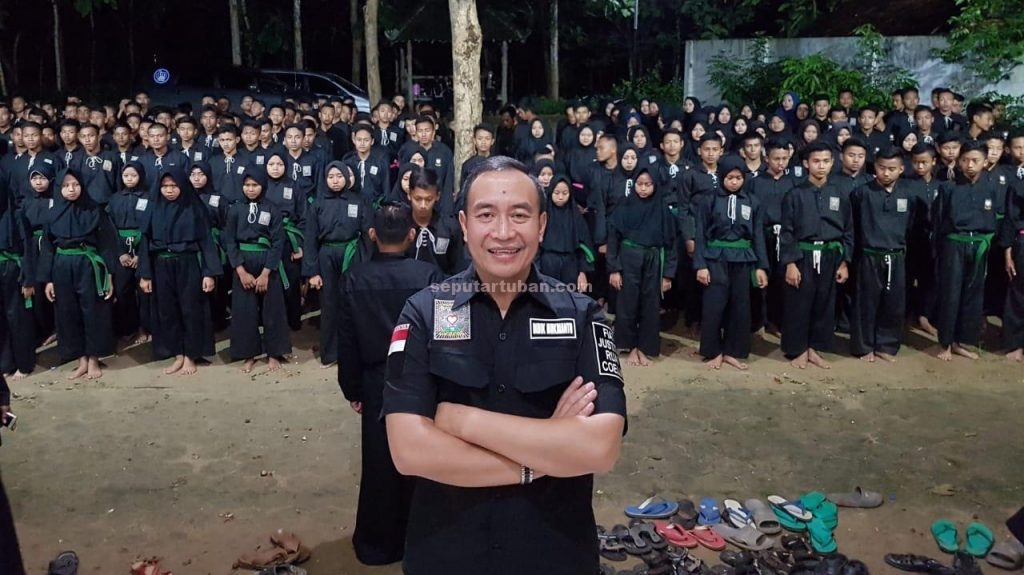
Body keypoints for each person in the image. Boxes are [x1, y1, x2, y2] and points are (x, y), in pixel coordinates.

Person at [383, 156, 626, 574]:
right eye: (485, 215)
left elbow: (599, 448)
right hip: (447, 552)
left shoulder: (582, 315)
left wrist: (461, 420)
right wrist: (545, 455)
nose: (503, 232)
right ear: (463, 225)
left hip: (554, 553)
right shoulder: (423, 312)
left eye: (519, 215)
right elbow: (409, 451)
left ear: (542, 225)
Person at [336, 202, 443, 566]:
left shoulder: (354, 278)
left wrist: (352, 389)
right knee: (422, 459)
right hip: (421, 379)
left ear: (372, 235)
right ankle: (422, 539)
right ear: (411, 235)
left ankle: (377, 545)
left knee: (380, 461)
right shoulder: (430, 275)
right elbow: (448, 335)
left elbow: (346, 340)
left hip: (374, 380)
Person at [137, 167, 220, 375]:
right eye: (165, 186)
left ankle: (191, 355)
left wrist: (209, 273)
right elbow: (145, 242)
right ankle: (178, 355)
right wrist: (145, 275)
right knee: (167, 311)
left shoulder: (194, 208)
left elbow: (207, 242)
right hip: (161, 265)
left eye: (174, 186)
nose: (169, 190)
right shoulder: (154, 207)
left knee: (190, 309)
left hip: (188, 264)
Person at [779, 141, 853, 369]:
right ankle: (798, 350)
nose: (821, 166)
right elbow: (787, 231)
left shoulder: (839, 194)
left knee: (824, 304)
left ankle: (815, 348)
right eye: (816, 161)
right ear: (806, 163)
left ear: (832, 163)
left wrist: (844, 262)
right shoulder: (795, 194)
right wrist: (790, 263)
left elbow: (848, 230)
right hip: (803, 255)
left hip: (830, 255)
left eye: (826, 161)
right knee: (799, 304)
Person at [849, 148, 927, 362]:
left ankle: (886, 345)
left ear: (901, 169)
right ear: (875, 167)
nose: (886, 173)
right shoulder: (861, 193)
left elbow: (913, 226)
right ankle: (864, 347)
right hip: (868, 256)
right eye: (882, 167)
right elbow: (853, 225)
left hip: (897, 256)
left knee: (893, 303)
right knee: (866, 303)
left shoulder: (910, 195)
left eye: (892, 169)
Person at [39, 169, 118, 379]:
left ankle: (93, 360)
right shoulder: (52, 214)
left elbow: (108, 244)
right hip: (61, 266)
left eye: (75, 184)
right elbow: (47, 248)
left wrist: (110, 275)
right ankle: (81, 360)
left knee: (93, 311)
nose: (71, 189)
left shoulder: (95, 210)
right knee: (67, 313)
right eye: (66, 186)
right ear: (59, 188)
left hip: (88, 265)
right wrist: (48, 280)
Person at [694, 157, 769, 370]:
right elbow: (700, 233)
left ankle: (733, 351)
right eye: (729, 177)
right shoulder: (709, 200)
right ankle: (714, 351)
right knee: (714, 306)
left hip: (743, 259)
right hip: (715, 258)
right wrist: (700, 265)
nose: (734, 182)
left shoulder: (752, 202)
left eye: (738, 178)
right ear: (721, 177)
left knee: (740, 306)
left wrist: (761, 267)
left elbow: (758, 235)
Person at [933, 140, 999, 361]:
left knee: (973, 294)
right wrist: (939, 251)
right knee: (950, 294)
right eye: (965, 160)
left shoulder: (991, 187)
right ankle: (945, 343)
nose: (970, 165)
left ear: (985, 162)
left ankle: (962, 341)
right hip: (954, 244)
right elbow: (938, 221)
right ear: (959, 161)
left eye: (975, 160)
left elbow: (996, 218)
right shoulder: (948, 188)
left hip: (979, 244)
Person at [303, 161, 372, 368]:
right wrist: (312, 272)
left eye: (339, 176)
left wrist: (365, 265)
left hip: (352, 254)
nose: (335, 181)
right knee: (329, 303)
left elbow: (368, 235)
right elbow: (310, 239)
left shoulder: (359, 201)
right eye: (331, 177)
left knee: (353, 303)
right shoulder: (318, 204)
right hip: (326, 255)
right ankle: (330, 352)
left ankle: (356, 351)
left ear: (347, 178)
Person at [223, 170, 292, 373]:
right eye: (247, 185)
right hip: (243, 262)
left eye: (255, 185)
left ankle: (274, 353)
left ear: (263, 185)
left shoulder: (272, 209)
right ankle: (248, 354)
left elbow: (278, 241)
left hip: (267, 263)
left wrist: (266, 273)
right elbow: (229, 241)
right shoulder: (235, 209)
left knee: (273, 310)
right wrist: (241, 271)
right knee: (244, 311)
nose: (251, 189)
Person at [608, 167, 678, 366]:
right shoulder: (624, 206)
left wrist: (668, 275)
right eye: (640, 184)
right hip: (628, 258)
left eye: (648, 184)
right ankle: (629, 346)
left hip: (653, 260)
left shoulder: (662, 209)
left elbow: (672, 244)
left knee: (650, 305)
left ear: (655, 185)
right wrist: (614, 269)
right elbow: (613, 239)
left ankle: (645, 348)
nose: (643, 188)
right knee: (627, 303)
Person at [0, 163, 35, 379]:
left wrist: (28, 279)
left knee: (18, 318)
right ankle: (5, 363)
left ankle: (24, 363)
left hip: (13, 271)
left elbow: (27, 249)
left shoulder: (16, 215)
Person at [538, 174, 594, 292]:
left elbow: (584, 247)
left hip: (571, 266)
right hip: (546, 264)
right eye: (556, 193)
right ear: (550, 192)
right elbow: (534, 245)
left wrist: (582, 272)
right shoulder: (542, 216)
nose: (560, 197)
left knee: (568, 299)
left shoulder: (576, 216)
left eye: (565, 193)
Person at [403, 167, 463, 275]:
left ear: (437, 196)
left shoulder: (449, 227)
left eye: (428, 199)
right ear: (409, 194)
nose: (423, 205)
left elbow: (457, 268)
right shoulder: (400, 225)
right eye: (418, 199)